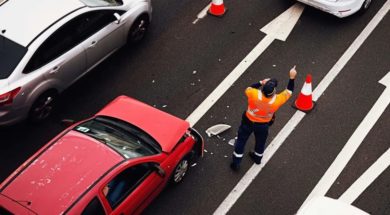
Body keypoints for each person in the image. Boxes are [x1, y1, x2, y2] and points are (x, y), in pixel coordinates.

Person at [230, 66, 297, 171]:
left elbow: (249, 88)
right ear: (274, 92)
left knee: (241, 141)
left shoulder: (254, 94)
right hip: (263, 125)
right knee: (260, 142)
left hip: (247, 122)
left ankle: (236, 163)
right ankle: (257, 158)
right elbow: (289, 91)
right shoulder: (277, 100)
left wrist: (261, 82)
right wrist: (292, 77)